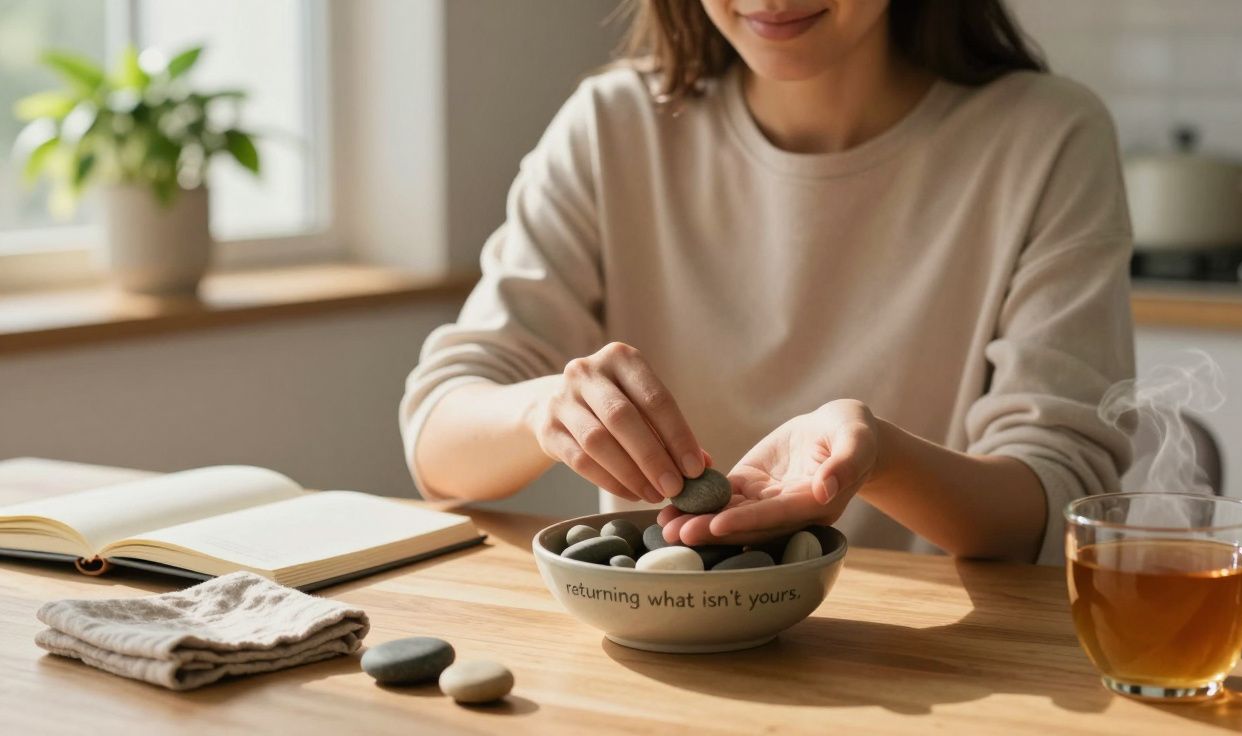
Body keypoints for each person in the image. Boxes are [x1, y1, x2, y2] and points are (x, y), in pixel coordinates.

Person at [400, 0, 1134, 565]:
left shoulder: (1047, 138)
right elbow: (438, 441)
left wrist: (882, 458)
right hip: (659, 663)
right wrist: (546, 410)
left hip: (922, 662)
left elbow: (1059, 505)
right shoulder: (613, 125)